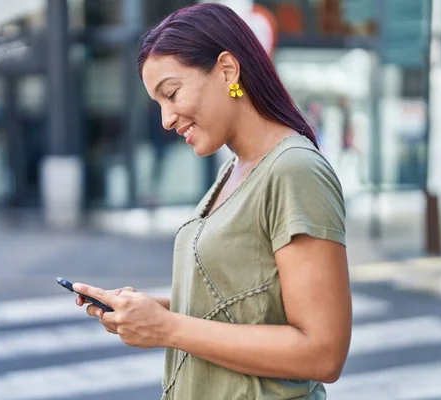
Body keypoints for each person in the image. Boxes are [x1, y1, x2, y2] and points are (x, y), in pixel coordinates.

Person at [73, 3, 352, 399]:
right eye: (158, 104)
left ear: (227, 70)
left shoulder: (294, 170)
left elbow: (322, 352)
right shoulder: (235, 170)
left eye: (171, 94)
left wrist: (168, 329)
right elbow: (253, 304)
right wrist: (156, 309)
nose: (166, 119)